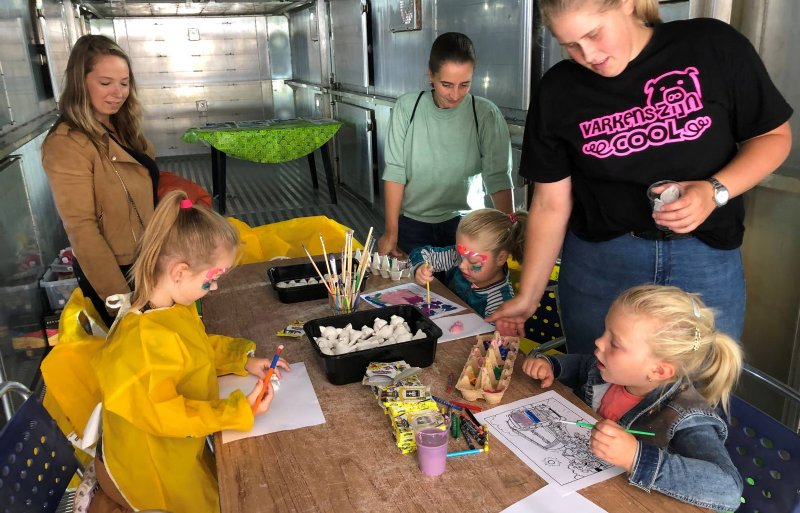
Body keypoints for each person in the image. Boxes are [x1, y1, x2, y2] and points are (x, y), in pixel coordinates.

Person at [487, 0, 793, 353]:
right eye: (569, 44)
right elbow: (550, 203)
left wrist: (714, 192)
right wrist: (529, 295)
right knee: (594, 387)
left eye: (594, 34)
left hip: (704, 256)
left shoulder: (711, 45)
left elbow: (773, 138)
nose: (588, 55)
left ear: (628, 4)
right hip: (601, 262)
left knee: (698, 394)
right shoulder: (559, 89)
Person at [89, 191, 290, 513]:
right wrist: (238, 412)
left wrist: (242, 360)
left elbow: (195, 346)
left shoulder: (168, 309)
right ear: (179, 272)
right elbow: (168, 415)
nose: (215, 288)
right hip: (153, 471)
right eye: (211, 281)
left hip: (177, 449)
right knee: (232, 500)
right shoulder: (141, 342)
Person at [523, 285, 743, 511]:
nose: (599, 342)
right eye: (605, 331)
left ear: (658, 371)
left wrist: (635, 457)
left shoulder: (686, 418)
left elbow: (728, 488)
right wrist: (553, 365)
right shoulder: (610, 370)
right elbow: (582, 366)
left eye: (615, 343)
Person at [43, 34, 160, 328]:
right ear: (81, 83)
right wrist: (119, 298)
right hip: (116, 270)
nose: (117, 92)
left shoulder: (121, 125)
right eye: (105, 83)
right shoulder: (67, 143)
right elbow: (81, 228)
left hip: (147, 258)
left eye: (124, 82)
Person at [377, 32, 514, 258]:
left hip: (467, 226)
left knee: (465, 291)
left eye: (464, 84)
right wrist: (391, 232)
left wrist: (508, 235)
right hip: (413, 225)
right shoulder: (407, 107)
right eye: (446, 84)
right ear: (430, 74)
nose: (455, 95)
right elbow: (395, 172)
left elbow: (498, 177)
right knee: (418, 291)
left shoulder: (486, 113)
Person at [408, 209, 527, 317]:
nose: (461, 265)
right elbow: (421, 253)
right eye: (460, 256)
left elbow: (494, 339)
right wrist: (420, 267)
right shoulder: (461, 257)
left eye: (473, 261)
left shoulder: (501, 303)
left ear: (501, 258)